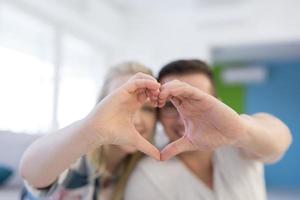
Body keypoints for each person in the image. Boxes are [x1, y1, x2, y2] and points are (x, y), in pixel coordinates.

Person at [124, 59, 292, 200]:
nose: (184, 119)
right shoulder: (147, 177)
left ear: (218, 105)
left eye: (196, 102)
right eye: (170, 105)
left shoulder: (241, 143)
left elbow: (281, 140)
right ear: (158, 113)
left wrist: (240, 132)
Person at [19, 62, 161, 200]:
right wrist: (91, 129)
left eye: (148, 109)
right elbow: (32, 174)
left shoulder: (146, 170)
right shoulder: (74, 157)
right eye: (124, 104)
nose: (136, 120)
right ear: (100, 105)